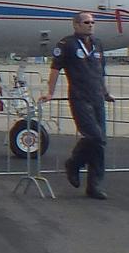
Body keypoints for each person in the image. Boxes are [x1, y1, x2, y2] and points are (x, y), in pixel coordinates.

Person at [44, 11, 111, 199]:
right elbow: (55, 69)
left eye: (92, 22)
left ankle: (94, 185)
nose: (90, 25)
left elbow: (100, 71)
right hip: (80, 98)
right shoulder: (67, 44)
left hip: (97, 98)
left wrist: (105, 92)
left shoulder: (98, 44)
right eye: (86, 22)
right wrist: (50, 92)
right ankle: (74, 163)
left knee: (100, 142)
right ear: (76, 25)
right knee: (95, 137)